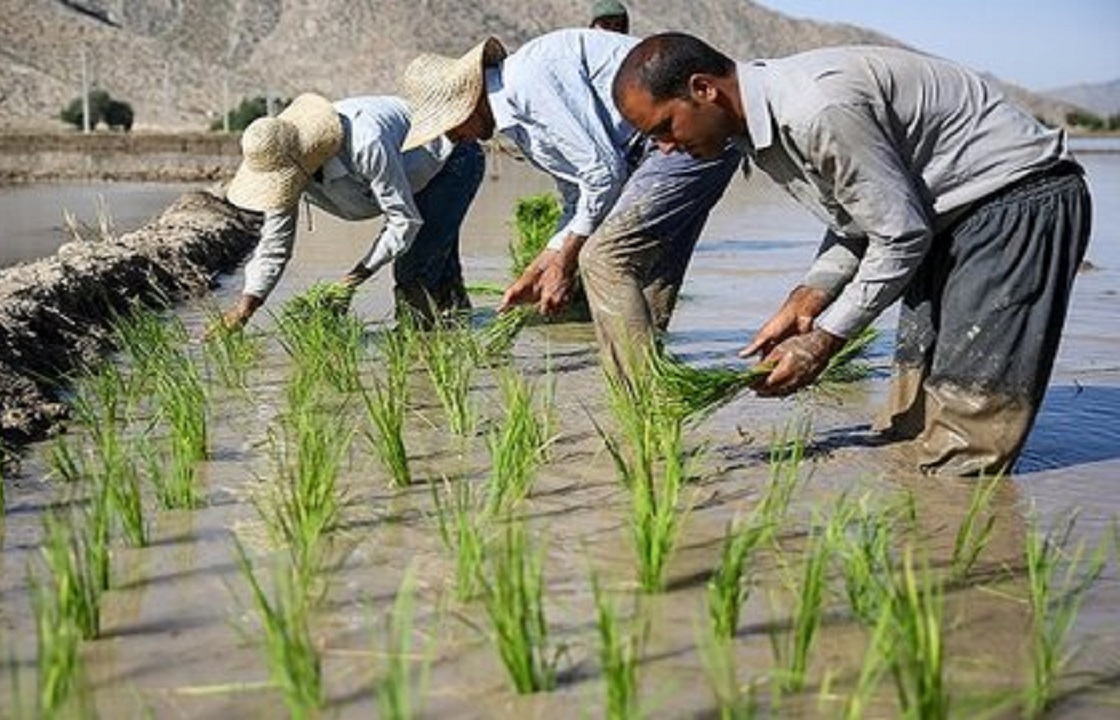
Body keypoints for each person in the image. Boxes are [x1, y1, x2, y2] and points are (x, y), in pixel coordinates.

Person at [613, 33, 1092, 475]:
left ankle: (962, 554)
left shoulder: (814, 109)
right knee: (909, 414)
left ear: (703, 89)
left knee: (967, 431)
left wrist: (822, 340)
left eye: (665, 128)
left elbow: (899, 236)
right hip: (944, 217)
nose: (665, 149)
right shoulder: (758, 131)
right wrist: (811, 294)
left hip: (1013, 204)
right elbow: (863, 220)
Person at [399, 30, 738, 372]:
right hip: (656, 148)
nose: (454, 137)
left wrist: (566, 264)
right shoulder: (517, 122)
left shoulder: (528, 85)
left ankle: (633, 392)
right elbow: (578, 197)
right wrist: (541, 266)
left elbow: (604, 174)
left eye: (450, 126)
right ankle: (652, 388)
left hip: (685, 132)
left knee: (604, 258)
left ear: (467, 102)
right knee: (647, 271)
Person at [219, 92, 484, 330]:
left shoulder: (366, 143)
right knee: (437, 269)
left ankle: (422, 349)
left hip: (453, 157)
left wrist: (351, 281)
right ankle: (458, 332)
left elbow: (403, 221)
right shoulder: (286, 166)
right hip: (412, 175)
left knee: (414, 271)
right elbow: (274, 245)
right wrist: (245, 309)